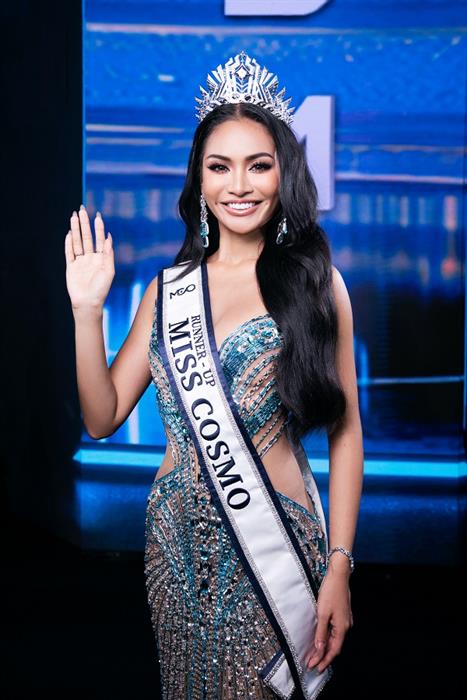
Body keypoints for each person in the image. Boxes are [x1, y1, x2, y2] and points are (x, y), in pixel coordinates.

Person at [65, 51, 363, 700]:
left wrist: (340, 566)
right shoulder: (167, 291)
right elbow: (101, 416)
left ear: (283, 173)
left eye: (259, 165)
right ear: (198, 179)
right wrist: (87, 312)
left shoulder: (317, 285)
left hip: (273, 551)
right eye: (219, 166)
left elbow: (346, 436)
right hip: (173, 551)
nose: (239, 185)